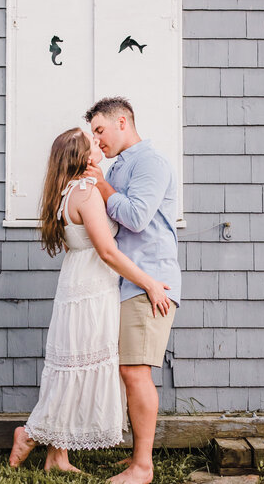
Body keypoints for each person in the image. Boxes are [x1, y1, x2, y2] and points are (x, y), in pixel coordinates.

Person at [9, 127, 172, 474]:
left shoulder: (65, 192)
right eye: (92, 142)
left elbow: (77, 246)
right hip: (93, 290)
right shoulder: (85, 191)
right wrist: (150, 283)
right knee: (79, 368)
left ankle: (58, 457)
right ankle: (30, 433)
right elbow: (109, 251)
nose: (98, 144)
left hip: (75, 284)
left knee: (71, 368)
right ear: (83, 158)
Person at [83, 97, 181, 484]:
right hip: (129, 283)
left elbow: (137, 218)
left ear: (122, 122)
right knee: (128, 370)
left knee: (136, 371)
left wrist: (102, 184)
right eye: (93, 134)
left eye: (100, 131)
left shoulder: (150, 162)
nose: (97, 140)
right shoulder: (120, 165)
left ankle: (143, 467)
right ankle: (136, 460)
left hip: (151, 281)